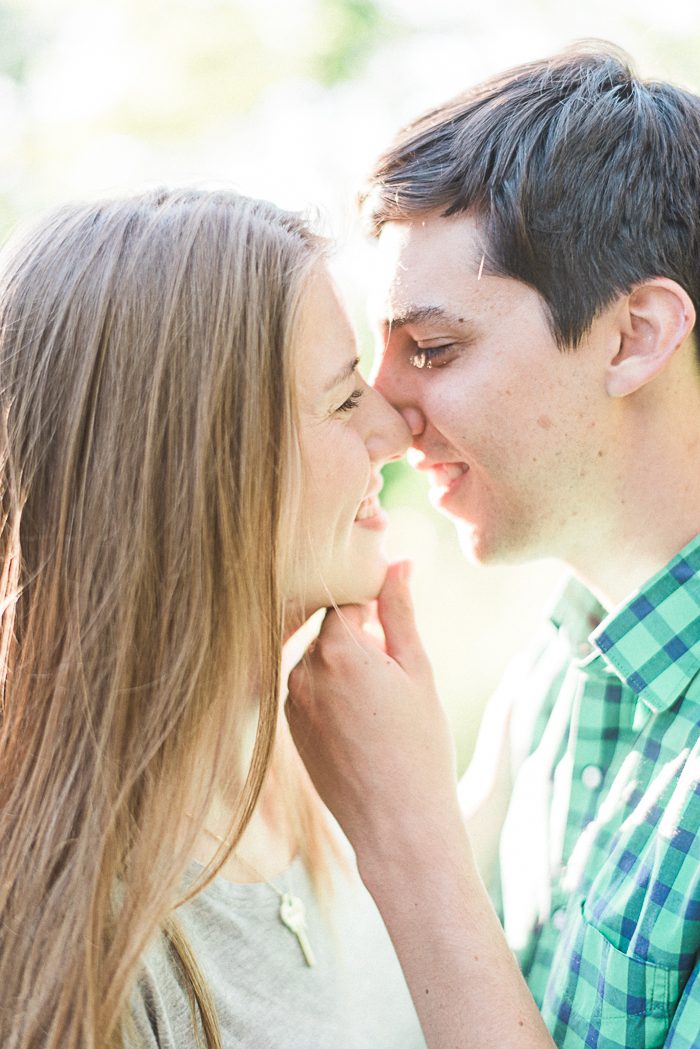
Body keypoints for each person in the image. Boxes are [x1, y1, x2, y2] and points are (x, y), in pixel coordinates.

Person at [286, 44, 700, 1049]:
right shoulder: (560, 677)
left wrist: (411, 835)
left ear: (631, 335)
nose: (383, 416)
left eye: (433, 349)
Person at [0, 188, 427, 1049]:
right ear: (200, 469)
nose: (396, 427)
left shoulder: (321, 782)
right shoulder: (77, 942)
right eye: (345, 400)